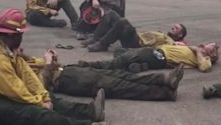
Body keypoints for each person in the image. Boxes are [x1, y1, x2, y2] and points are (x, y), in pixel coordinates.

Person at [0, 8, 110, 125]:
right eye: (21, 34)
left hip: (0, 93)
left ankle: (91, 112)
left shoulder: (5, 47)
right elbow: (13, 88)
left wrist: (44, 97)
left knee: (49, 98)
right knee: (34, 113)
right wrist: (39, 103)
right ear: (12, 35)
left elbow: (27, 74)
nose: (21, 38)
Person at [19, 48, 184, 101]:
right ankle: (165, 93)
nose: (21, 50)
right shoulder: (16, 75)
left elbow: (41, 65)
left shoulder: (22, 61)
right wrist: (48, 63)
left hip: (69, 71)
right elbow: (41, 85)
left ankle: (165, 78)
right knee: (120, 87)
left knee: (121, 75)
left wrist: (51, 59)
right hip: (66, 81)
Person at [81, 11, 188, 52]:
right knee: (111, 14)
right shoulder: (164, 35)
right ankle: (95, 37)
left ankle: (102, 44)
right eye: (174, 26)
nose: (173, 27)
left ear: (180, 34)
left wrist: (180, 44)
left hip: (136, 44)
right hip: (135, 36)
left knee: (123, 21)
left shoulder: (169, 41)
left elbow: (182, 47)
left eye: (176, 28)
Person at [78, 43, 219, 73]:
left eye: (213, 51)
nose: (211, 48)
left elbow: (205, 68)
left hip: (161, 57)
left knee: (124, 58)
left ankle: (92, 65)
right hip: (157, 52)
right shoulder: (193, 47)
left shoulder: (203, 58)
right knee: (122, 52)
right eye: (211, 45)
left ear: (211, 56)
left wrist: (199, 52)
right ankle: (140, 65)